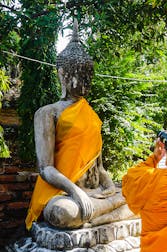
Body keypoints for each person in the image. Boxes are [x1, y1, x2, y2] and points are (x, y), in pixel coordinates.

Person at [25, 23, 133, 230]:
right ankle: (99, 214)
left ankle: (97, 216)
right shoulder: (48, 113)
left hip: (94, 193)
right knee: (64, 213)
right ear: (62, 75)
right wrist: (76, 191)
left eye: (89, 76)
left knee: (133, 196)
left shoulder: (91, 116)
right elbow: (46, 168)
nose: (86, 82)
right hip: (62, 194)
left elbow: (99, 167)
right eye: (80, 75)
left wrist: (109, 186)